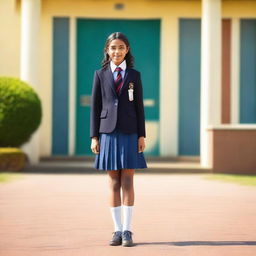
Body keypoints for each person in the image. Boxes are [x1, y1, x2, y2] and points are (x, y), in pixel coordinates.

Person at [90, 32, 147, 247]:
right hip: (107, 133)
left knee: (128, 180)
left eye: (121, 47)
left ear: (127, 50)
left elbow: (139, 107)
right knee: (114, 182)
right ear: (107, 50)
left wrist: (141, 135)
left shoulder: (135, 75)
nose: (117, 51)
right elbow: (95, 107)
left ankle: (128, 231)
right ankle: (116, 230)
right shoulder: (100, 74)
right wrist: (94, 136)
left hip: (130, 133)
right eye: (113, 47)